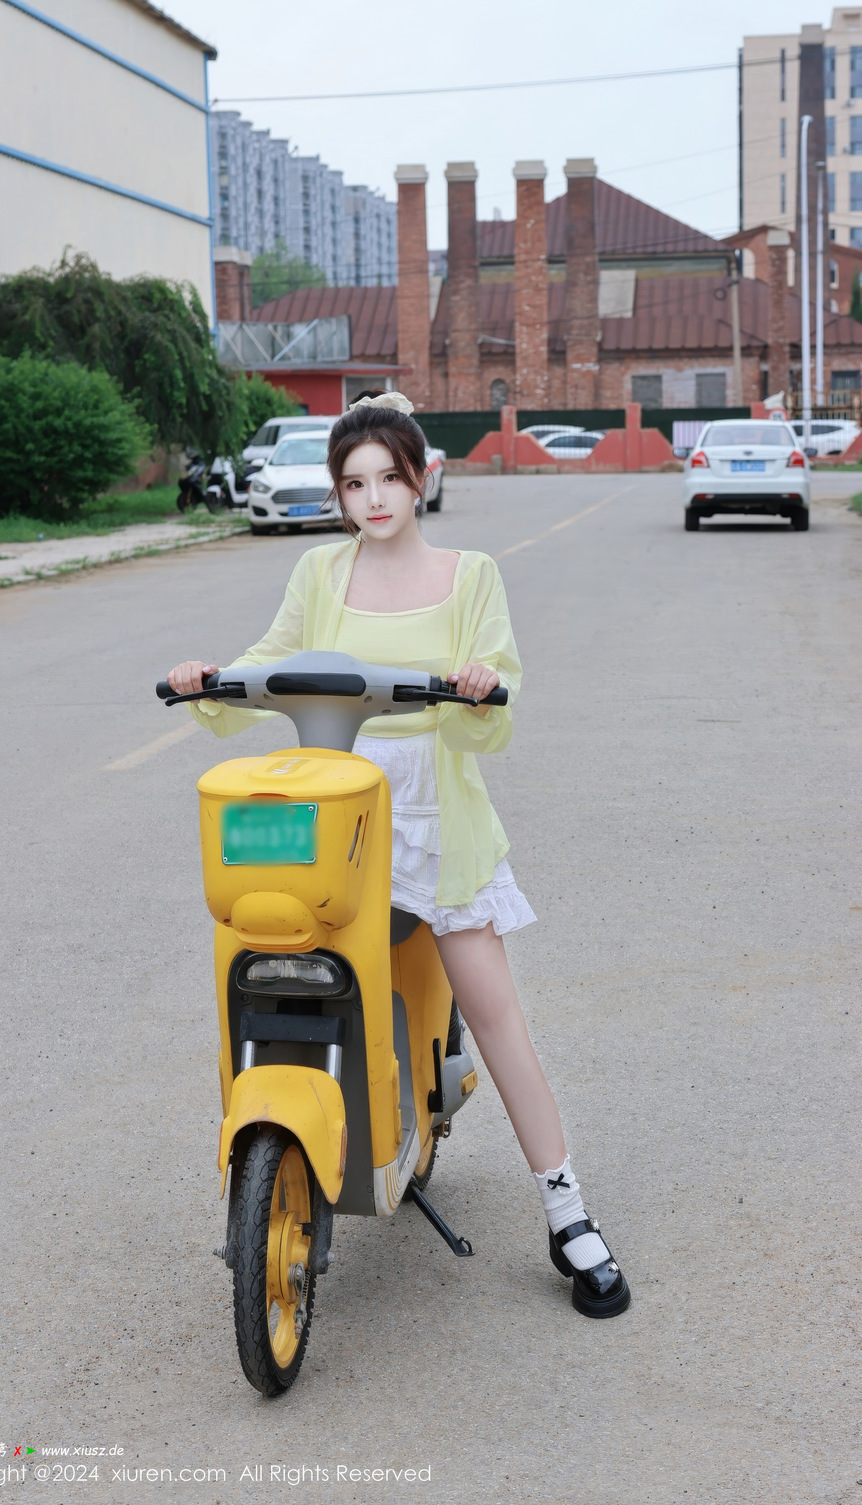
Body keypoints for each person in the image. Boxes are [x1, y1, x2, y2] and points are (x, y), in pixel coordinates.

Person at [167, 391, 630, 1318]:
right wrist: (207, 682)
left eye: (389, 478)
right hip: (339, 804)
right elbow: (269, 661)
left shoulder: (471, 576)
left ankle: (567, 1210)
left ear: (422, 479)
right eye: (354, 483)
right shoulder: (317, 571)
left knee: (495, 1013)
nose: (373, 498)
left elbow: (496, 703)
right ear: (338, 493)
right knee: (280, 965)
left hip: (432, 810)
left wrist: (480, 683)